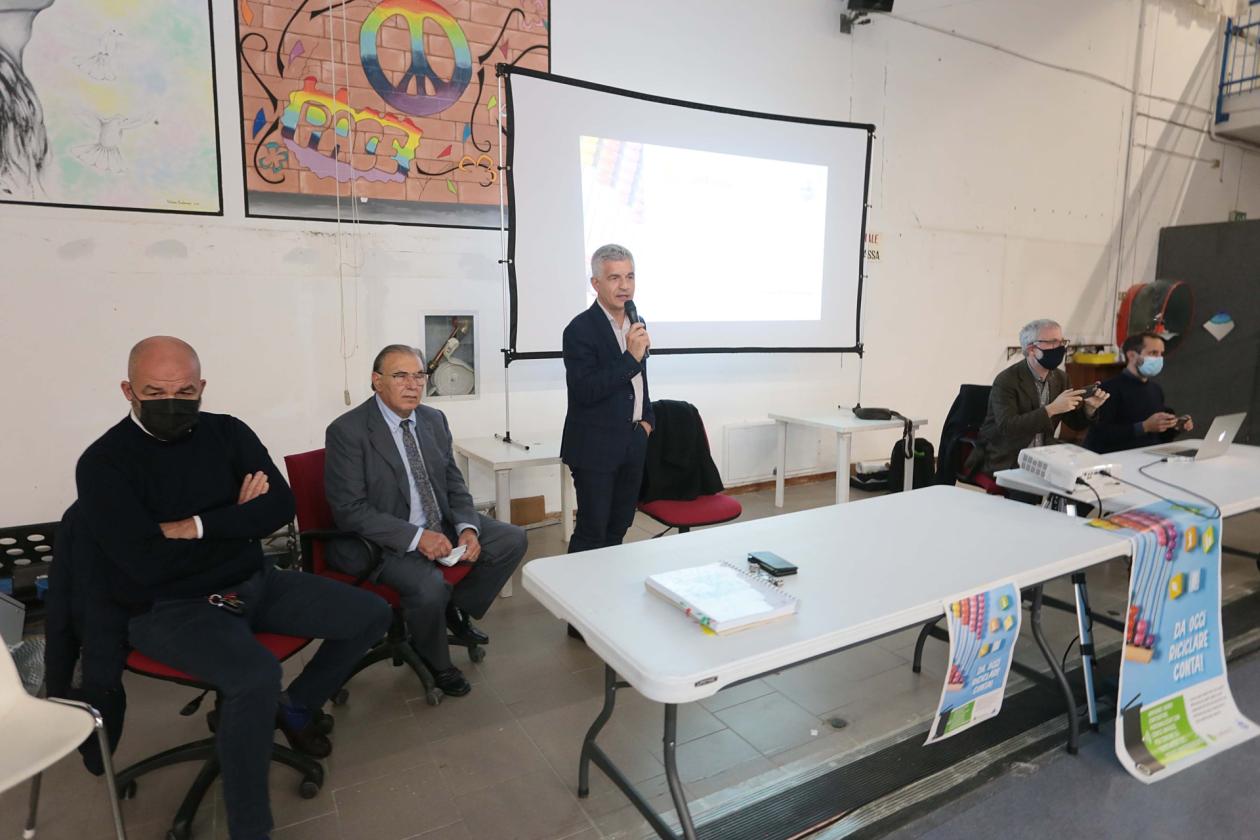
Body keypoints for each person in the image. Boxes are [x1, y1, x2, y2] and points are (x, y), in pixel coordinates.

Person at [75, 336, 391, 840]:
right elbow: (145, 564)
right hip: (167, 607)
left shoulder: (227, 432)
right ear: (128, 391)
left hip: (254, 581)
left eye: (184, 391)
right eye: (154, 392)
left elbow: (279, 507)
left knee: (371, 614)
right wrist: (239, 522)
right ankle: (250, 829)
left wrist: (195, 526)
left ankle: (297, 706)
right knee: (255, 676)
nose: (171, 402)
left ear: (201, 387)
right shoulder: (103, 463)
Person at [324, 344, 526, 697]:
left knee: (511, 539)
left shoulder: (433, 420)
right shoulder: (348, 431)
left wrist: (467, 528)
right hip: (380, 540)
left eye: (419, 375)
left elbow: (453, 483)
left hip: (439, 524)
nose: (413, 384)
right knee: (428, 585)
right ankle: (436, 660)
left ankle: (448, 610)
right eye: (400, 376)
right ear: (377, 381)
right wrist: (418, 538)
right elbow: (350, 510)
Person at [562, 243, 655, 557]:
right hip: (594, 447)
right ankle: (573, 588)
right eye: (615, 278)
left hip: (633, 441)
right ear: (596, 283)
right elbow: (585, 390)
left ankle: (606, 586)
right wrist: (630, 357)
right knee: (592, 531)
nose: (624, 285)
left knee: (619, 527)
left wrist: (647, 421)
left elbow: (640, 382)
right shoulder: (579, 330)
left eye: (630, 276)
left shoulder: (636, 322)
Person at [966, 318, 1109, 475]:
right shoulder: (1006, 380)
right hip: (1008, 458)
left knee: (1081, 478)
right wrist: (1050, 410)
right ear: (1031, 349)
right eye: (1053, 342)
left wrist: (1089, 408)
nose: (1060, 347)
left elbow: (1074, 423)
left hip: (1044, 455)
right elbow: (1008, 427)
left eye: (1062, 342)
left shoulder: (1061, 378)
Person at [1083, 332, 1193, 453]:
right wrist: (1144, 427)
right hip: (1118, 458)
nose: (1159, 359)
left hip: (1148, 457)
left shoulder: (1155, 390)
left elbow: (1158, 437)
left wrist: (1175, 427)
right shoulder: (1108, 389)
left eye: (1161, 353)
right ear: (1131, 355)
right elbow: (1100, 436)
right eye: (1153, 353)